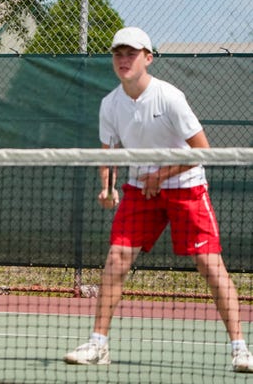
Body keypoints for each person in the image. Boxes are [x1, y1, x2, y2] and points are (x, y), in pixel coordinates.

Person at [63, 27, 252, 373]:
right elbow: (109, 154)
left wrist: (161, 175)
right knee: (117, 259)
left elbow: (203, 151)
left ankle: (241, 348)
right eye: (118, 54)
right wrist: (107, 187)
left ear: (147, 58)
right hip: (139, 191)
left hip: (186, 185)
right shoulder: (110, 104)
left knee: (209, 265)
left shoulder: (169, 98)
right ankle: (98, 344)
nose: (123, 60)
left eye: (131, 54)